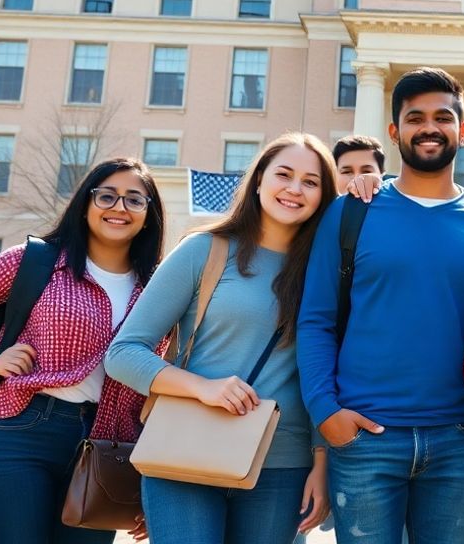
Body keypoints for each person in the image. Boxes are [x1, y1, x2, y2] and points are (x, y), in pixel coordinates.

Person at [298, 67, 464, 544]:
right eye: (415, 118)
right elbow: (316, 321)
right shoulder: (351, 212)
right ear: (394, 132)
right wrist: (326, 411)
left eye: (442, 117)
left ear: (463, 130)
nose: (429, 128)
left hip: (461, 442)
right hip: (365, 436)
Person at [0, 158, 166, 544]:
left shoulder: (160, 288)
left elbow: (162, 383)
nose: (119, 207)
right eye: (107, 196)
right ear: (85, 204)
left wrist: (149, 480)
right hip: (19, 432)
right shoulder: (34, 261)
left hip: (107, 449)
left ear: (148, 215)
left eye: (134, 199)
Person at [106, 134, 334, 544]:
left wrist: (321, 462)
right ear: (259, 179)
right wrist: (203, 388)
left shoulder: (325, 272)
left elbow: (322, 374)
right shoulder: (204, 250)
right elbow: (123, 354)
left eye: (311, 182)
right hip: (185, 451)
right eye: (284, 174)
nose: (295, 189)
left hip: (283, 467)